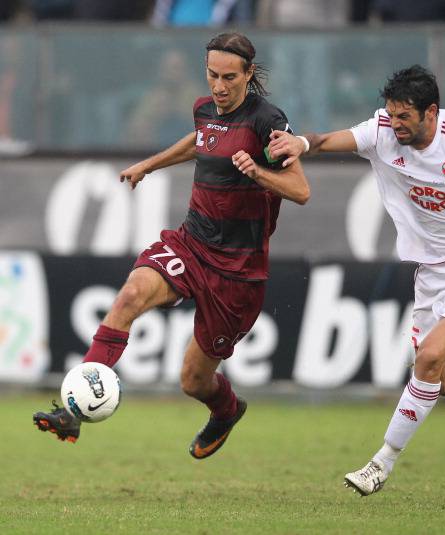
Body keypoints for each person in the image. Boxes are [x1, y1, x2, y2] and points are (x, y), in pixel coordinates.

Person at [268, 65, 445, 496]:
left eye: (404, 116)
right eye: (391, 114)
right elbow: (327, 141)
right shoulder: (382, 131)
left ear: (430, 112)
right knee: (435, 374)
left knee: (429, 357)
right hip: (431, 274)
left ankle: (380, 463)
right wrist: (301, 144)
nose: (394, 123)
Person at [33, 32, 310, 460]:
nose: (219, 86)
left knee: (193, 381)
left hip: (237, 271)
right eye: (212, 75)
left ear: (248, 74)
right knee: (130, 295)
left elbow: (301, 190)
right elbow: (199, 139)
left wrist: (257, 171)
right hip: (191, 244)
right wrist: (149, 164)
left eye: (229, 78)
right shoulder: (205, 110)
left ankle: (227, 410)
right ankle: (74, 412)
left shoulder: (266, 122)